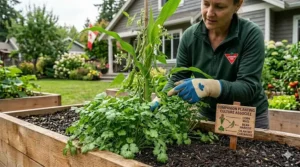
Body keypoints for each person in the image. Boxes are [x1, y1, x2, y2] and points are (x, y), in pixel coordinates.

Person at [150, 0, 269, 129]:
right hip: (208, 115)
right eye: (206, 4)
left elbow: (248, 87)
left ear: (237, 5)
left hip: (245, 116)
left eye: (219, 6)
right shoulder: (190, 37)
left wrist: (210, 87)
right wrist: (160, 99)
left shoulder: (250, 34)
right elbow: (178, 78)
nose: (210, 13)